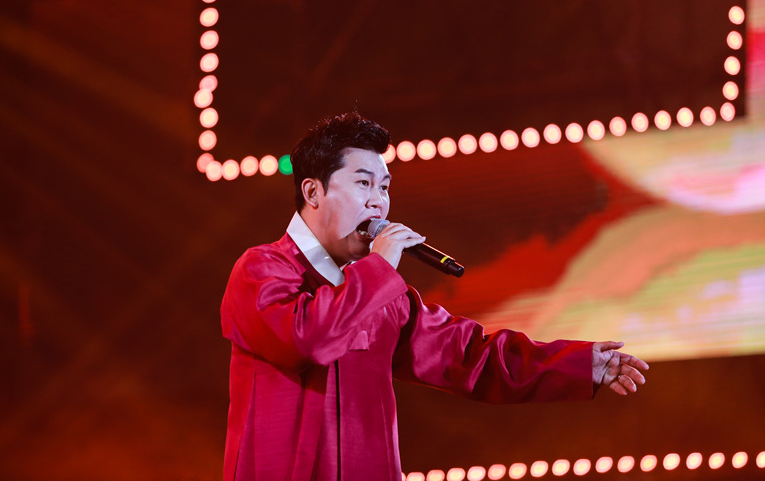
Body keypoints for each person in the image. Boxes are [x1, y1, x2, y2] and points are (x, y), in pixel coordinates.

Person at [220, 111, 649, 481]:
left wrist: (576, 364)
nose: (378, 203)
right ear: (313, 192)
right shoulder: (263, 270)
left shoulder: (383, 294)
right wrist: (380, 267)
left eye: (384, 188)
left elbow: (471, 357)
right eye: (364, 183)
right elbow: (308, 339)